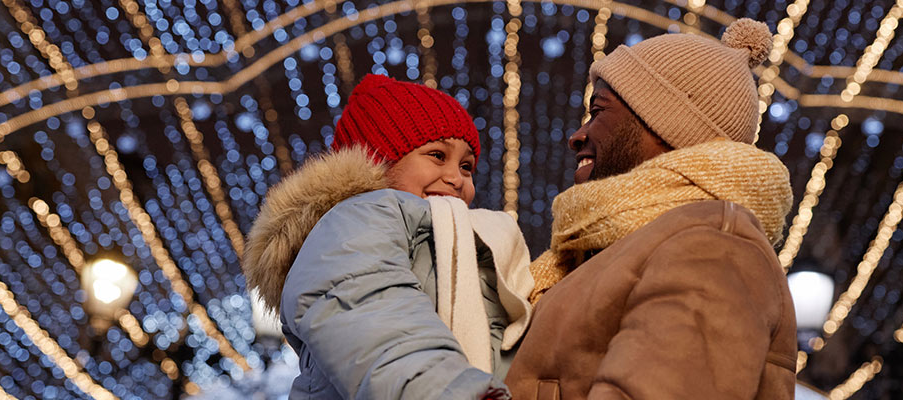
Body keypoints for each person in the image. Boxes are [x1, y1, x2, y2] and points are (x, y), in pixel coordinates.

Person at [504, 19, 798, 399]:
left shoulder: (712, 245)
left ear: (664, 124)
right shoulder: (619, 253)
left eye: (598, 112)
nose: (578, 136)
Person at [242, 74, 534, 399]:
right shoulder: (355, 220)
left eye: (467, 166)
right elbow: (373, 318)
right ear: (380, 160)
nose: (456, 178)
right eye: (438, 155)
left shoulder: (458, 242)